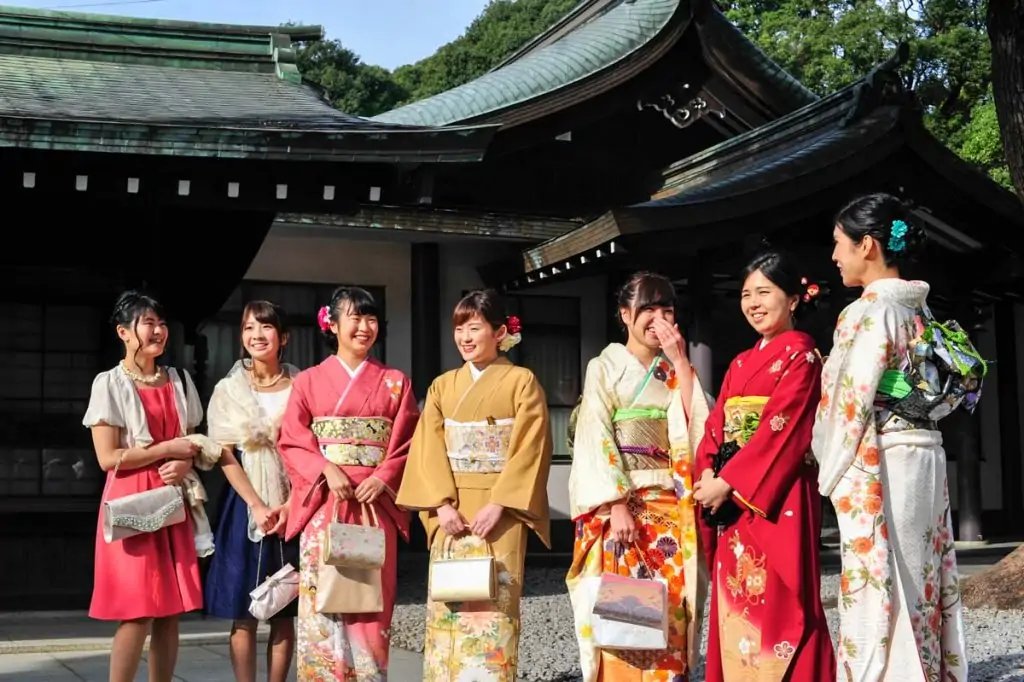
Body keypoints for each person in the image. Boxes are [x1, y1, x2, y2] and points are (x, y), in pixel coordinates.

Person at [812, 192, 967, 681]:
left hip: (881, 457)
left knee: (879, 585)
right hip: (925, 453)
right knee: (920, 578)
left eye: (840, 244)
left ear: (868, 245)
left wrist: (829, 469)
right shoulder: (918, 310)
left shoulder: (866, 312)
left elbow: (848, 398)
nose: (834, 256)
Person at [693, 251, 835, 682]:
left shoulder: (803, 356)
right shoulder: (739, 363)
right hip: (734, 503)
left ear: (793, 299)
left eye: (764, 292)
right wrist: (705, 473)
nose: (753, 302)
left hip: (778, 496)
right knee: (737, 601)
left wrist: (727, 482)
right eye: (745, 294)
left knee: (783, 600)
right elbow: (716, 427)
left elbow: (785, 430)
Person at [396, 289, 552, 682]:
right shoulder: (442, 386)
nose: (465, 337)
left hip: (501, 512)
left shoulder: (522, 381)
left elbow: (531, 447)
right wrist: (441, 506)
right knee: (450, 607)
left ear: (500, 332)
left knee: (494, 609)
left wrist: (500, 503)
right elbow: (427, 448)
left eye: (475, 327)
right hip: (452, 510)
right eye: (460, 328)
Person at [565, 272, 710, 682]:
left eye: (667, 310)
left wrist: (682, 362)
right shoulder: (605, 366)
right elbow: (596, 431)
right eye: (647, 309)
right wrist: (613, 505)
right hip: (623, 511)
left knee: (670, 609)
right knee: (624, 615)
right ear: (625, 314)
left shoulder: (673, 369)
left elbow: (699, 425)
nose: (658, 319)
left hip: (671, 507)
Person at [277, 286, 419, 681]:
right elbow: (291, 438)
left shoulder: (395, 382)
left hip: (375, 504)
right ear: (333, 324)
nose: (364, 327)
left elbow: (409, 442)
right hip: (325, 503)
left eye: (371, 318)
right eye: (354, 318)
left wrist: (384, 475)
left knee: (371, 601)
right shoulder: (307, 381)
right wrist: (325, 467)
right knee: (324, 601)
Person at [83, 290, 203, 682]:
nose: (158, 330)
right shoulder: (110, 384)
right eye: (147, 322)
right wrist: (167, 449)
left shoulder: (179, 380)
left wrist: (184, 460)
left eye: (161, 323)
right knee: (137, 611)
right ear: (124, 332)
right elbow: (107, 458)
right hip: (132, 503)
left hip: (172, 499)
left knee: (169, 612)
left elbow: (195, 441)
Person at [204, 300, 300, 682]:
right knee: (243, 612)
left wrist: (292, 504)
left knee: (285, 608)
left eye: (265, 327)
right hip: (244, 506)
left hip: (295, 504)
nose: (256, 335)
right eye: (248, 328)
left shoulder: (302, 384)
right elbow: (223, 453)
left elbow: (311, 450)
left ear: (284, 337)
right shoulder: (228, 389)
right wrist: (258, 505)